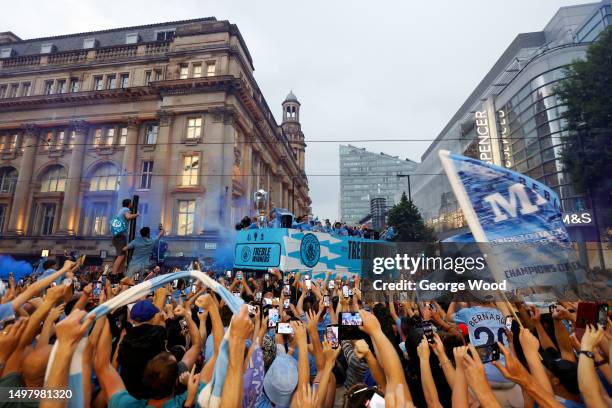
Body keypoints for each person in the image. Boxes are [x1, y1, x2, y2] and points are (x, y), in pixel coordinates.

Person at [111, 198, 138, 277]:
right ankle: (114, 274)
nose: (132, 205)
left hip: (118, 236)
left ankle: (120, 273)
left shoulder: (121, 210)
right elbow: (128, 217)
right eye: (131, 203)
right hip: (120, 237)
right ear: (129, 204)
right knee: (121, 255)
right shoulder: (126, 209)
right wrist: (136, 214)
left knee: (123, 255)